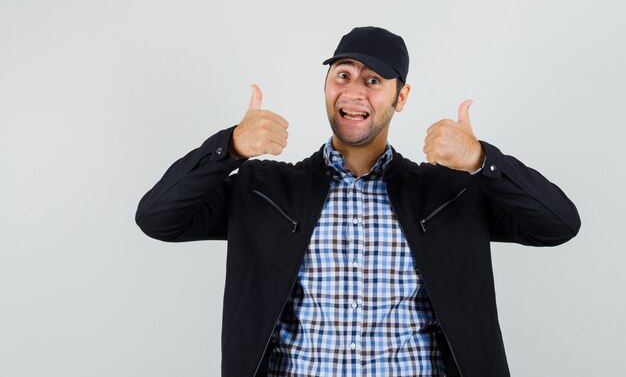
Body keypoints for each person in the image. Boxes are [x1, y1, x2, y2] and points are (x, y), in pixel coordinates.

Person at [135, 26, 581, 377]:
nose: (354, 92)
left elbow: (557, 224)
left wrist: (483, 160)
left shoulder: (449, 193)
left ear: (400, 97)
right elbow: (158, 218)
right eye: (342, 75)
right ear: (327, 85)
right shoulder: (264, 190)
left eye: (373, 80)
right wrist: (227, 148)